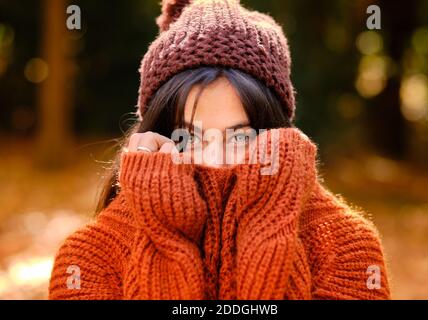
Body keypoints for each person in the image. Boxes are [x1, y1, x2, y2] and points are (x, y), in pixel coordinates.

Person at [48, 0, 391, 300]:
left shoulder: (347, 248)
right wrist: (163, 231)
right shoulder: (88, 259)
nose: (215, 160)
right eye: (188, 139)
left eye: (241, 138)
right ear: (155, 136)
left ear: (276, 135)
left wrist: (267, 231)